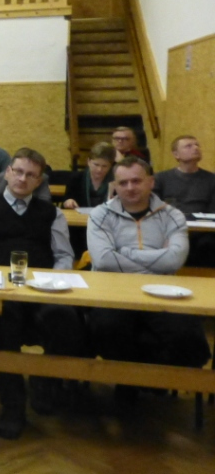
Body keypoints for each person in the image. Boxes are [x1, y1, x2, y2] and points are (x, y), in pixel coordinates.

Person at [0, 147, 81, 439]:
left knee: (65, 319)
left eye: (31, 175)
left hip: (43, 291)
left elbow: (64, 256)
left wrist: (52, 282)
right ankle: (13, 404)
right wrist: (0, 277)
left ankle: (44, 383)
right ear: (7, 172)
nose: (22, 179)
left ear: (39, 181)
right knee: (4, 322)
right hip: (0, 291)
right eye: (18, 171)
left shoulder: (52, 214)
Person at [87, 157, 211, 391]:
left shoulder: (173, 215)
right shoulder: (100, 215)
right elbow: (103, 260)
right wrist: (157, 261)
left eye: (136, 181)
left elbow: (175, 259)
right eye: (123, 183)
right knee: (106, 328)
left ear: (151, 182)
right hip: (113, 292)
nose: (130, 187)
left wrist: (123, 252)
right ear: (115, 186)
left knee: (188, 336)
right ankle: (129, 382)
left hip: (163, 293)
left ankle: (154, 381)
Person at [154, 135, 215, 266]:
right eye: (189, 146)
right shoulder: (161, 178)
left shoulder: (211, 179)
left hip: (203, 232)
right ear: (176, 154)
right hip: (170, 229)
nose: (196, 148)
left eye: (197, 145)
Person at [61, 142, 116, 256]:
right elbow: (66, 202)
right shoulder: (76, 178)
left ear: (111, 166)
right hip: (79, 230)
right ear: (88, 161)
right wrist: (68, 202)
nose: (99, 170)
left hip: (106, 228)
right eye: (96, 164)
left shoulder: (116, 182)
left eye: (104, 166)